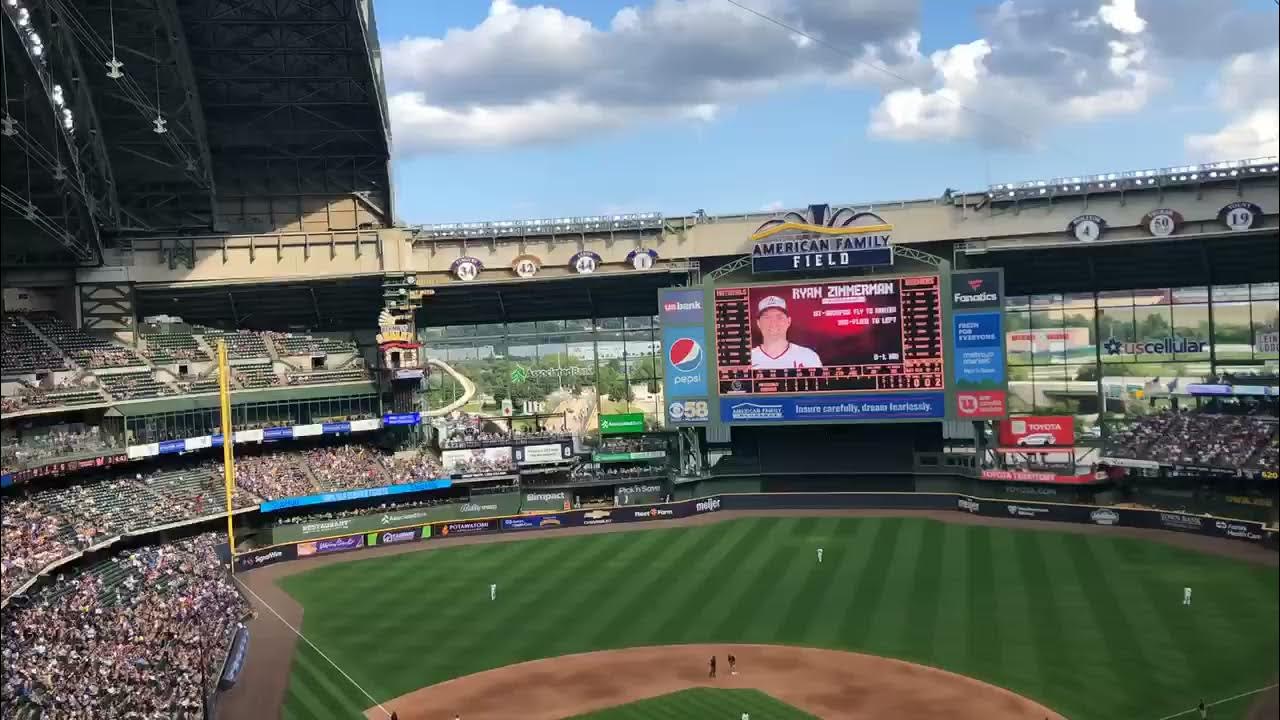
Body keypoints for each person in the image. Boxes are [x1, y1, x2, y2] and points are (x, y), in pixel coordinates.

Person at [750, 296, 822, 370]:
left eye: (779, 317)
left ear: (788, 321)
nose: (773, 322)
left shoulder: (808, 357)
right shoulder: (748, 359)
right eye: (767, 317)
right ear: (758, 323)